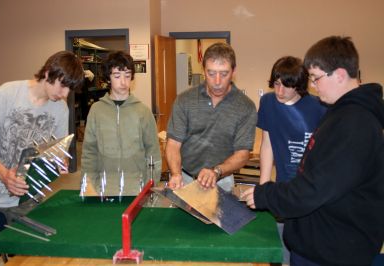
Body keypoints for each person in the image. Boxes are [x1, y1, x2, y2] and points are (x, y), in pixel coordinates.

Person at [242, 36, 384, 266]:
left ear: (339, 74)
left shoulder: (355, 123)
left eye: (316, 78)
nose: (312, 86)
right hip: (323, 244)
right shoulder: (340, 114)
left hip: (333, 252)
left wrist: (266, 195)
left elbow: (315, 188)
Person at [0, 51, 84, 265]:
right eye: (62, 85)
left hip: (28, 202)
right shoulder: (7, 93)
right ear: (48, 73)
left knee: (25, 258)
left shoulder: (60, 108)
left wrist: (59, 163)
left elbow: (54, 152)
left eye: (70, 88)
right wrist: (4, 175)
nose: (65, 94)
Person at [257, 56, 326, 265]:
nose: (280, 91)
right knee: (279, 251)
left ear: (299, 86)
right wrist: (264, 185)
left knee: (303, 249)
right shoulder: (268, 102)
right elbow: (267, 144)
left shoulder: (319, 107)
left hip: (309, 190)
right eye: (276, 84)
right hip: (283, 187)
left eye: (287, 86)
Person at [166, 42, 257, 192]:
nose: (217, 82)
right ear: (203, 71)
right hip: (185, 179)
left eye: (224, 73)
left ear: (234, 71)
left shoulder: (245, 106)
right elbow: (173, 144)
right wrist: (176, 174)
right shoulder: (185, 100)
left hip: (222, 181)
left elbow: (243, 153)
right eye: (211, 73)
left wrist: (217, 171)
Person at [81, 51, 161, 196]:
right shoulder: (96, 110)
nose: (123, 82)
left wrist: (151, 183)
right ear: (108, 78)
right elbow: (89, 152)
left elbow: (153, 152)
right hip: (103, 189)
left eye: (128, 76)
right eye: (117, 76)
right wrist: (89, 185)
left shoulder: (143, 111)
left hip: (137, 189)